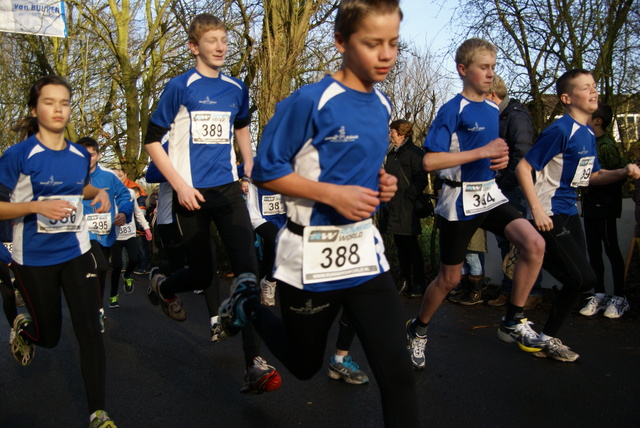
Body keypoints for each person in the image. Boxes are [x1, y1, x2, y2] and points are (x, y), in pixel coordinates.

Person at [219, 1, 419, 425]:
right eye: (372, 43)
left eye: (393, 44)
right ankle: (250, 304)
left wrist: (383, 184)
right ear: (341, 42)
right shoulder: (309, 101)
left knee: (399, 375)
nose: (386, 55)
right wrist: (333, 196)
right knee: (305, 365)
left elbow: (367, 168)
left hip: (364, 254)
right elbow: (264, 172)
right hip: (309, 254)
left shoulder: (382, 105)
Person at [143, 13, 281, 394]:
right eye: (212, 41)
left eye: (224, 40)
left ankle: (253, 363)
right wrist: (179, 186)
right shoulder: (180, 87)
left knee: (247, 270)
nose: (221, 46)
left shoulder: (236, 88)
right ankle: (164, 285)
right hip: (191, 195)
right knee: (202, 275)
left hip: (226, 191)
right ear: (194, 47)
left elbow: (241, 126)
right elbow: (152, 140)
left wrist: (248, 161)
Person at [405, 38, 546, 370]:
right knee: (450, 279)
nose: (490, 73)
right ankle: (418, 328)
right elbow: (429, 163)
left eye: (493, 67)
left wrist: (500, 159)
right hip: (458, 198)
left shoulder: (491, 109)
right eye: (484, 67)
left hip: (489, 194)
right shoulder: (452, 109)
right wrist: (482, 153)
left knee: (534, 244)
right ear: (463, 69)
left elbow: (493, 148)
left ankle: (513, 319)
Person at [0, 75, 116, 427]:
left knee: (90, 332)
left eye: (64, 102)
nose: (57, 109)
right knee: (49, 336)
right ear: (35, 110)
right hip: (33, 258)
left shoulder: (80, 154)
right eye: (49, 102)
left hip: (76, 250)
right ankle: (25, 329)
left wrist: (97, 193)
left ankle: (98, 412)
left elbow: (76, 187)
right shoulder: (18, 155)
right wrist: (36, 207)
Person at [516, 69, 640, 361]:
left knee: (581, 281)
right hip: (549, 212)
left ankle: (545, 339)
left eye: (594, 86)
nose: (593, 92)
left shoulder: (587, 133)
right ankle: (526, 274)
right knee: (583, 277)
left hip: (571, 211)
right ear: (567, 98)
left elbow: (592, 176)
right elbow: (523, 168)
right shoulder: (560, 130)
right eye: (585, 88)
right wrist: (535, 210)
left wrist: (623, 171)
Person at [246, 178, 369, 384]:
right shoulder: (285, 157)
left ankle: (340, 358)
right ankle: (249, 306)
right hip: (305, 242)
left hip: (346, 235)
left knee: (357, 294)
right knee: (304, 366)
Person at [484, 75, 543, 309]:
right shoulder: (499, 116)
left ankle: (532, 292)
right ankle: (508, 291)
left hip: (514, 188)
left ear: (492, 95)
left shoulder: (516, 117)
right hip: (501, 187)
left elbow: (522, 156)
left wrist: (503, 184)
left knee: (523, 243)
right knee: (504, 243)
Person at [579, 103, 630, 318]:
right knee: (593, 249)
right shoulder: (587, 142)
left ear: (597, 120)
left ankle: (619, 296)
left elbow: (620, 174)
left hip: (606, 206)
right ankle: (598, 293)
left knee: (611, 248)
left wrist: (597, 183)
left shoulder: (606, 146)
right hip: (590, 204)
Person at [76, 137, 133, 328]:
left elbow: (125, 196)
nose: (87, 158)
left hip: (107, 234)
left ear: (98, 155)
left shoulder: (109, 177)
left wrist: (124, 212)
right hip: (83, 233)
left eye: (91, 154)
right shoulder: (73, 177)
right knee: (99, 266)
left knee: (100, 271)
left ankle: (96, 306)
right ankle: (95, 309)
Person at [378, 119, 428, 298]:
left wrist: (409, 197)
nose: (389, 134)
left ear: (402, 133)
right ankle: (405, 280)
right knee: (400, 246)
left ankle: (420, 283)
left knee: (412, 246)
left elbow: (421, 178)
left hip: (407, 208)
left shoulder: (415, 153)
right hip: (393, 207)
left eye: (392, 131)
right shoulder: (392, 154)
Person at [107, 186, 150, 308]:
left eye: (120, 175)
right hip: (115, 236)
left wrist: (146, 227)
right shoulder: (107, 192)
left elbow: (137, 212)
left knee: (134, 259)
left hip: (130, 234)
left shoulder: (130, 193)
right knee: (117, 266)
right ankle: (113, 297)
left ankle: (126, 275)